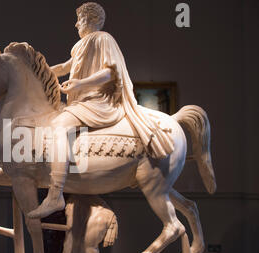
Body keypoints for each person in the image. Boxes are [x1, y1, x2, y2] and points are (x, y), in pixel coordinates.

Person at [28, 2, 174, 219]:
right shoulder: (80, 46)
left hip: (98, 102)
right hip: (82, 102)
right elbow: (65, 67)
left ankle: (55, 193)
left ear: (92, 20)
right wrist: (38, 72)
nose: (76, 24)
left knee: (58, 126)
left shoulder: (103, 38)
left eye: (80, 19)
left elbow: (109, 72)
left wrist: (80, 85)